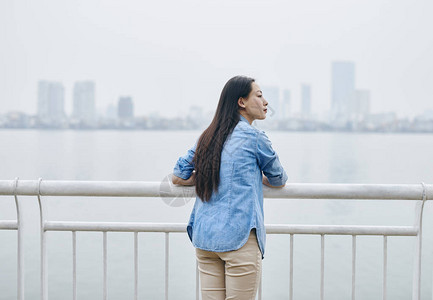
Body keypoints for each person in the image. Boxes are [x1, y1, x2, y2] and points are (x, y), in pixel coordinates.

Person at [171, 75, 288, 300]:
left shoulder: (208, 136)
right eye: (260, 95)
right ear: (241, 102)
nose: (266, 103)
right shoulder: (255, 138)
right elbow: (278, 178)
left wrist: (212, 171)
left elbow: (178, 176)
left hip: (206, 240)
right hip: (239, 240)